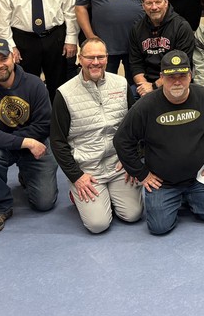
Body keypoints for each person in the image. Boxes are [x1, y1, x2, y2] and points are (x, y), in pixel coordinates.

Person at [113, 49, 204, 235]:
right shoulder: (146, 106)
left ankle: (186, 198)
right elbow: (122, 140)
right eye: (170, 76)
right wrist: (141, 173)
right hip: (163, 183)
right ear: (161, 77)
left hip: (199, 177)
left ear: (190, 75)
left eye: (182, 76)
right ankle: (177, 199)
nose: (177, 81)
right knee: (159, 228)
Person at [50, 37, 143, 233]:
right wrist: (77, 177)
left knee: (133, 215)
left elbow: (135, 127)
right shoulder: (64, 94)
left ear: (107, 58)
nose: (95, 62)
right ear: (80, 59)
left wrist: (132, 159)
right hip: (88, 169)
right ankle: (77, 194)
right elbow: (58, 142)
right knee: (98, 225)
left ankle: (108, 196)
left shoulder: (121, 83)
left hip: (118, 164)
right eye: (90, 57)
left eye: (100, 57)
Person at [0, 38, 59, 235]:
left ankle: (26, 174)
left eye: (4, 58)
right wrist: (23, 142)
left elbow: (44, 125)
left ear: (14, 57)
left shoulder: (34, 84)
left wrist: (16, 140)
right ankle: (0, 206)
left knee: (44, 203)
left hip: (34, 144)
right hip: (10, 146)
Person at [129, 0, 196, 99]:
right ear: (143, 5)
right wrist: (143, 86)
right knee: (129, 95)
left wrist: (154, 86)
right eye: (149, 3)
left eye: (158, 2)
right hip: (146, 82)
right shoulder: (136, 29)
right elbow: (136, 64)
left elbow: (182, 66)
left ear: (166, 2)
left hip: (174, 80)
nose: (154, 7)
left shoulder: (181, 27)